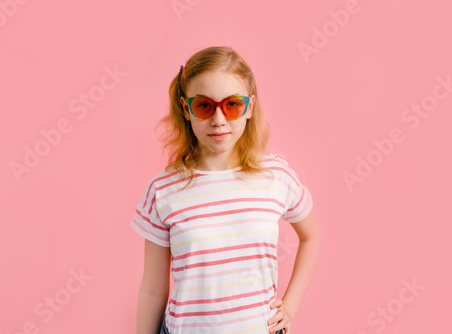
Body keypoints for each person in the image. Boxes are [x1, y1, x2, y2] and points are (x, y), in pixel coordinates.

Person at [130, 46, 323, 334]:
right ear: (186, 108)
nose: (218, 120)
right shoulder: (163, 189)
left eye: (232, 105)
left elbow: (312, 237)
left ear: (249, 107)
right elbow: (153, 290)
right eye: (204, 106)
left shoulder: (276, 176)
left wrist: (290, 306)